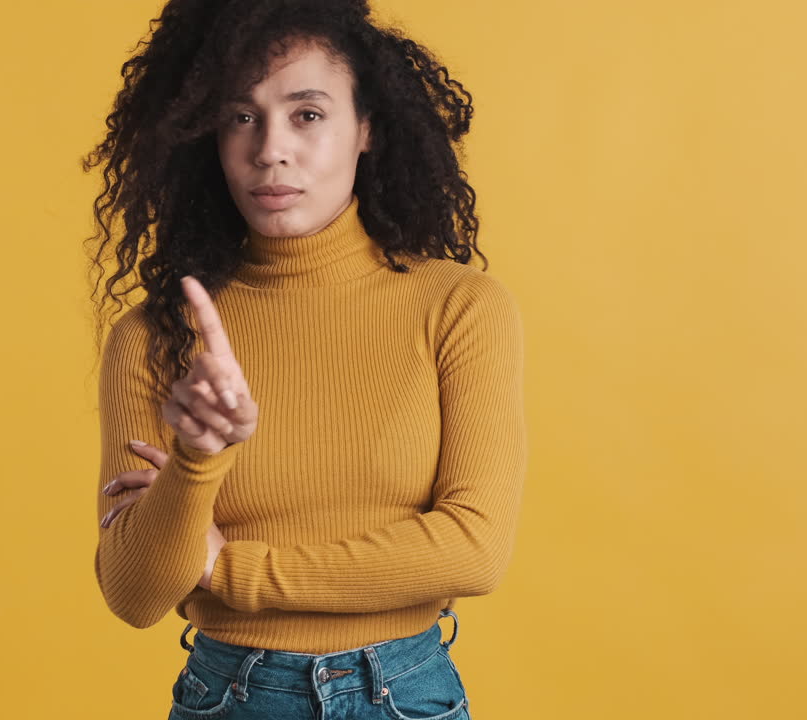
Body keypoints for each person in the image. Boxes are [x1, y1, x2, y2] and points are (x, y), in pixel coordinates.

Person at [83, 1, 527, 717]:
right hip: (229, 697)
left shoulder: (459, 306)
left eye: (308, 114)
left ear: (367, 127)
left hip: (406, 694)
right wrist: (197, 459)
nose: (270, 149)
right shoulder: (156, 335)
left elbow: (475, 549)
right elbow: (135, 596)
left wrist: (230, 568)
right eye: (241, 116)